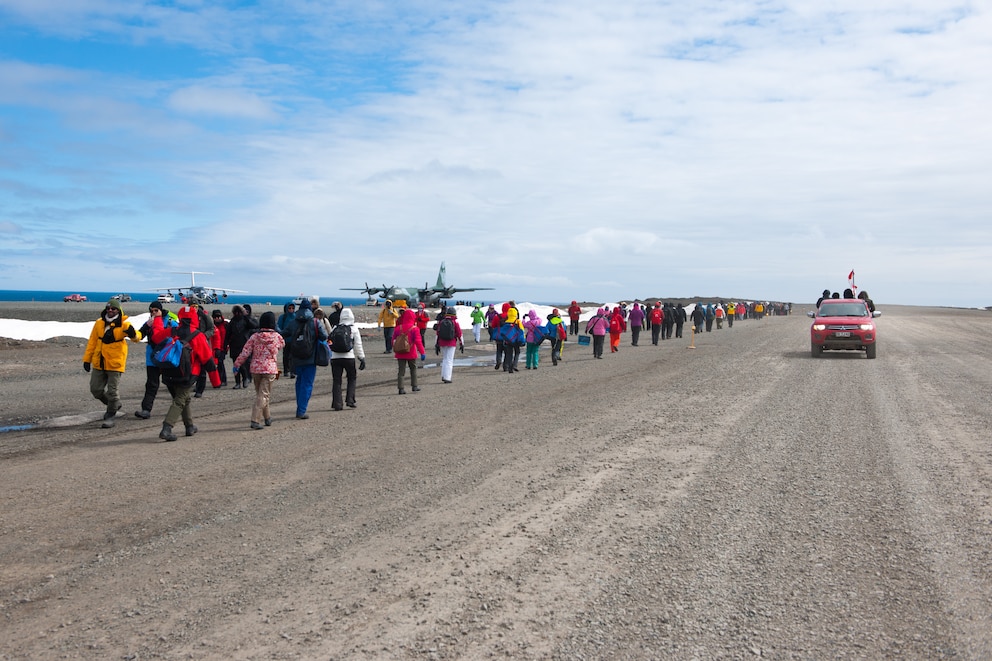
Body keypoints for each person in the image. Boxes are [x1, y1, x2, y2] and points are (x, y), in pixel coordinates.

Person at [150, 305, 216, 441]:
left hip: (169, 371)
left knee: (183, 398)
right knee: (180, 400)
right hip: (188, 374)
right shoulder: (198, 335)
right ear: (195, 318)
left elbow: (156, 337)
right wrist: (216, 381)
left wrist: (157, 319)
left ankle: (189, 426)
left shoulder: (172, 331)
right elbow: (207, 359)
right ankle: (167, 428)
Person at [83, 298, 141, 428]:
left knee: (112, 391)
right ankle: (113, 404)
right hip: (99, 361)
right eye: (108, 308)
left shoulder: (124, 324)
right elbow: (92, 341)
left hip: (115, 362)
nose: (110, 311)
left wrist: (133, 335)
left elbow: (136, 337)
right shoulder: (99, 323)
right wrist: (87, 359)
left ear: (118, 310)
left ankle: (110, 415)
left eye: (113, 309)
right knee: (95, 389)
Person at [232, 311, 285, 429]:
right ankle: (255, 420)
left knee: (261, 394)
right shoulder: (277, 337)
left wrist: (237, 364)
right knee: (264, 395)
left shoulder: (254, 337)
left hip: (255, 368)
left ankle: (267, 417)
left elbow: (245, 352)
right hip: (270, 368)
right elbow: (282, 345)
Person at [283, 298, 327, 419]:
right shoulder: (315, 322)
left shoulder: (293, 322)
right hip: (310, 358)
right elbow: (324, 336)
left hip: (296, 357)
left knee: (299, 382)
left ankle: (300, 407)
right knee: (307, 384)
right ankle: (301, 410)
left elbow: (283, 333)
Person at [135, 302, 175, 420]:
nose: (154, 313)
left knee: (171, 383)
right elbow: (139, 336)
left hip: (166, 358)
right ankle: (146, 410)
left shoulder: (169, 322)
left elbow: (178, 333)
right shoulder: (149, 324)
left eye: (156, 310)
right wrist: (147, 326)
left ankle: (180, 405)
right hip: (152, 359)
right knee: (151, 384)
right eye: (151, 311)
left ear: (161, 310)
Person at [330, 307, 366, 409]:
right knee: (352, 378)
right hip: (349, 357)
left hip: (335, 357)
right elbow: (358, 344)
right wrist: (361, 357)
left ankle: (337, 403)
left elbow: (330, 341)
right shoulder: (354, 328)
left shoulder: (335, 328)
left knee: (337, 381)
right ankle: (350, 400)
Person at [393, 308, 425, 394]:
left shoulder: (398, 328)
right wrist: (422, 352)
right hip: (411, 352)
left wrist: (396, 349)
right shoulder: (415, 329)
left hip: (400, 352)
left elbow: (393, 340)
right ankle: (414, 386)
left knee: (401, 371)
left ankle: (401, 388)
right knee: (413, 369)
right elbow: (418, 342)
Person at [226, 305, 257, 390]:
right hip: (234, 345)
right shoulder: (232, 322)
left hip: (244, 345)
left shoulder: (246, 321)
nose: (237, 314)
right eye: (236, 312)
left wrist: (246, 317)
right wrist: (225, 345)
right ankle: (237, 382)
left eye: (239, 312)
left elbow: (254, 326)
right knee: (235, 365)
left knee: (243, 364)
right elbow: (227, 335)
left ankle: (245, 378)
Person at [435, 307, 463, 383]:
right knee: (449, 360)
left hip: (442, 342)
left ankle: (443, 375)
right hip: (451, 343)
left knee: (444, 359)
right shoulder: (455, 322)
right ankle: (447, 377)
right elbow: (459, 334)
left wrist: (436, 344)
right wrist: (461, 344)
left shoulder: (441, 322)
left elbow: (437, 333)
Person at [500, 303, 524, 373]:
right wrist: (522, 340)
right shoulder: (517, 321)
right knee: (517, 352)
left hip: (508, 340)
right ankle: (515, 365)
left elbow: (503, 331)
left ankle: (510, 367)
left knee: (509, 354)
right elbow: (521, 330)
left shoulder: (506, 322)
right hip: (516, 340)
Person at [276, 301, 297, 379]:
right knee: (286, 356)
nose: (291, 309)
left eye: (292, 308)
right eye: (289, 308)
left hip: (294, 340)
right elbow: (279, 327)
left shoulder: (296, 316)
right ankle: (286, 370)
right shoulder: (283, 317)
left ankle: (292, 371)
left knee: (293, 356)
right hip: (285, 340)